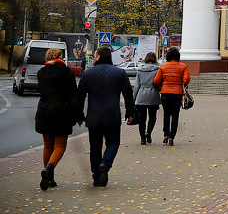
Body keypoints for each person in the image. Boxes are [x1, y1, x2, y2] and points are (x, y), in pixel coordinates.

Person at [76, 45, 134, 187]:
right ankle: (105, 164)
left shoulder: (88, 74)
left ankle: (96, 177)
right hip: (112, 116)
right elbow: (128, 95)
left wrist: (79, 115)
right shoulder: (120, 73)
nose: (94, 57)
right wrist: (130, 113)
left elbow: (80, 97)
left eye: (95, 55)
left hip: (94, 117)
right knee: (113, 143)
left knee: (95, 147)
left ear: (99, 57)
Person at [34, 47, 79, 191]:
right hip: (62, 112)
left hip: (44, 111)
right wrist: (77, 115)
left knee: (47, 145)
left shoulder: (41, 73)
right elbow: (73, 96)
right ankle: (49, 167)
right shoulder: (67, 73)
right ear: (60, 56)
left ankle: (49, 178)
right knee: (60, 146)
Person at [153, 47, 190, 146]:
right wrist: (181, 85)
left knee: (166, 114)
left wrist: (161, 86)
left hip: (165, 93)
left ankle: (165, 134)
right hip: (177, 94)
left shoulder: (163, 66)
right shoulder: (183, 66)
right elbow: (186, 80)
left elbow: (156, 81)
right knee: (175, 115)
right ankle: (171, 137)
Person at [133, 52, 161, 145]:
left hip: (141, 95)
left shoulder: (140, 70)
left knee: (142, 119)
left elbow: (137, 86)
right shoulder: (158, 70)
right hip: (153, 95)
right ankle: (148, 133)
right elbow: (159, 84)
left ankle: (142, 138)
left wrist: (134, 98)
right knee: (152, 117)